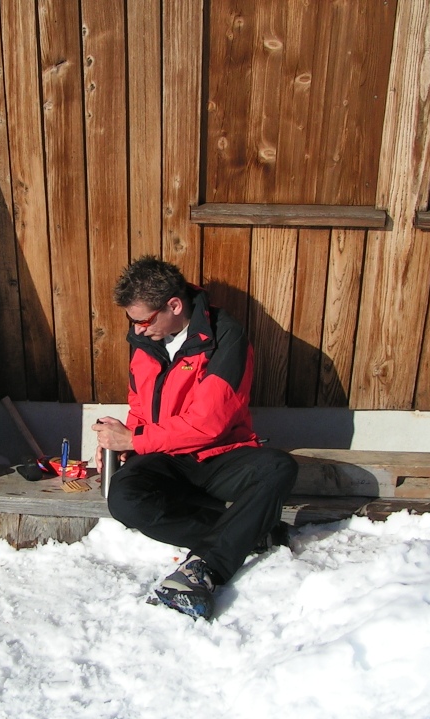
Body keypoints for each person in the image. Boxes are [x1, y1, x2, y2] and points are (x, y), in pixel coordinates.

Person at [92, 256, 298, 621]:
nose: (137, 330)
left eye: (143, 320)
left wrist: (134, 442)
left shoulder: (226, 337)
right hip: (166, 455)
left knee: (279, 467)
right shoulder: (145, 342)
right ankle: (249, 533)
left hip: (221, 455)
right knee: (123, 499)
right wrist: (122, 443)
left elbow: (209, 424)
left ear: (173, 305)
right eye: (132, 321)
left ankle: (207, 566)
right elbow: (139, 407)